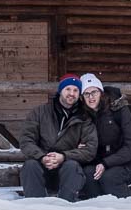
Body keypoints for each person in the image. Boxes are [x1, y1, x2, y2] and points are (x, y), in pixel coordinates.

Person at [18, 74, 96, 202]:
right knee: (30, 165)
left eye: (76, 90)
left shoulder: (84, 118)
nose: (72, 93)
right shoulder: (40, 112)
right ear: (60, 90)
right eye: (68, 89)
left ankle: (65, 207)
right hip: (42, 165)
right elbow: (26, 140)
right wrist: (42, 157)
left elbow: (90, 149)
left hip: (67, 170)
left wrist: (63, 157)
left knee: (72, 166)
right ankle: (34, 207)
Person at [78, 73, 131, 199]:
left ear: (101, 92)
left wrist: (106, 163)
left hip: (128, 163)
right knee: (88, 175)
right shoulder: (83, 115)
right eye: (86, 93)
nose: (91, 97)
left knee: (109, 178)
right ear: (82, 97)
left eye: (94, 92)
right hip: (99, 162)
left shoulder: (119, 110)